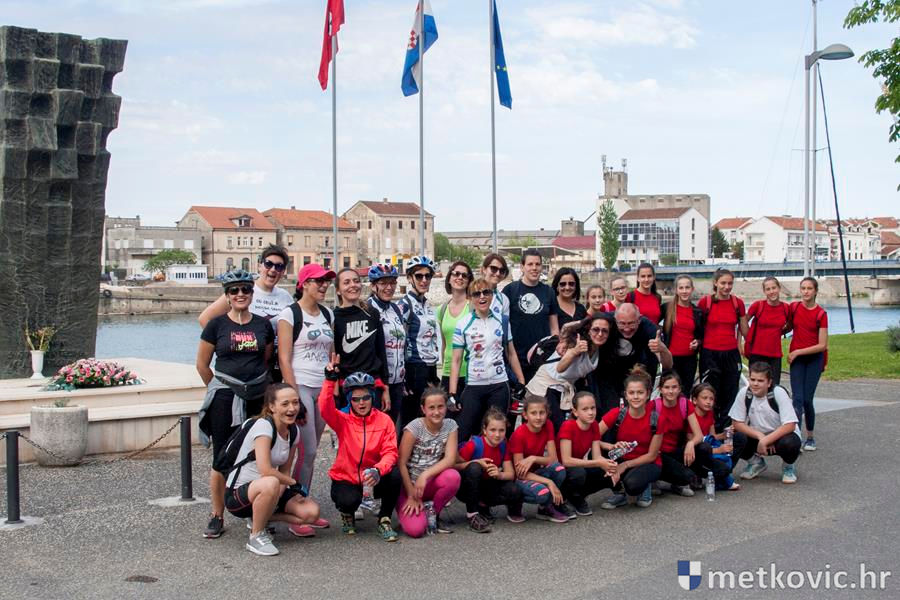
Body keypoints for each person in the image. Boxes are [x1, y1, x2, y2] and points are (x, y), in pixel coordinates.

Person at [197, 270, 275, 539]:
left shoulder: (263, 325)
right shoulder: (216, 326)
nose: (240, 294)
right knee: (222, 456)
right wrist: (220, 388)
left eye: (245, 290)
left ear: (252, 293)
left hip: (257, 396)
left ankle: (254, 510)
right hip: (225, 398)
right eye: (234, 291)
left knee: (257, 454)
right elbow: (202, 364)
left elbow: (266, 358)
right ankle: (217, 514)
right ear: (227, 296)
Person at [224, 384, 321, 556]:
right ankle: (256, 536)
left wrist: (278, 498)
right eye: (285, 404)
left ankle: (260, 517)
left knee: (311, 513)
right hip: (238, 495)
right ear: (272, 407)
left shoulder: (293, 431)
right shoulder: (263, 426)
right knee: (270, 482)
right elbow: (266, 470)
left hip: (270, 489)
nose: (292, 408)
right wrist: (294, 484)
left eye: (295, 402)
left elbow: (285, 471)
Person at [276, 263, 335, 534]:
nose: (324, 286)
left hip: (323, 388)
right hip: (301, 387)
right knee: (307, 450)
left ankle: (304, 503)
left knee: (311, 453)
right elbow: (284, 358)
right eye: (318, 281)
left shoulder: (327, 314)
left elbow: (331, 353)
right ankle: (295, 508)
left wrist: (333, 384)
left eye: (326, 281)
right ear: (304, 284)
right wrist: (293, 398)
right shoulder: (290, 314)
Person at [319, 364, 402, 541]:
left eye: (366, 397)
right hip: (348, 477)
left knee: (395, 475)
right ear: (350, 400)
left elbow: (390, 452)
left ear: (372, 397)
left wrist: (378, 470)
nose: (361, 403)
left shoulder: (384, 420)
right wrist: (329, 381)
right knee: (347, 501)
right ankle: (347, 513)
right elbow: (325, 409)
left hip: (374, 476)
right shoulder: (343, 420)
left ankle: (384, 519)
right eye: (356, 399)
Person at [199, 245, 293, 382]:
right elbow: (205, 318)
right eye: (268, 264)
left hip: (273, 361)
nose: (273, 269)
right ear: (260, 265)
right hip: (247, 358)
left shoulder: (285, 297)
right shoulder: (242, 290)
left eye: (279, 266)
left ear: (283, 271)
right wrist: (230, 344)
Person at [449, 278, 526, 443]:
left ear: (491, 295)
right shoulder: (463, 324)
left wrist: (521, 381)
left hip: (499, 385)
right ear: (470, 298)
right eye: (476, 294)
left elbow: (511, 353)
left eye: (486, 292)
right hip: (474, 385)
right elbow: (456, 360)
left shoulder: (502, 321)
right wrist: (453, 393)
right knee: (464, 432)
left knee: (497, 433)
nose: (482, 297)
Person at [526, 314, 617, 432]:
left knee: (564, 429)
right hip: (544, 387)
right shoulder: (575, 342)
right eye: (595, 329)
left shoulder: (597, 349)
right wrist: (575, 351)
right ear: (588, 330)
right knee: (551, 429)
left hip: (563, 390)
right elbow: (560, 368)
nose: (600, 334)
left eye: (604, 331)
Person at [397, 388, 461, 538]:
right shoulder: (414, 428)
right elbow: (401, 463)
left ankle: (433, 513)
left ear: (446, 407)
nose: (436, 412)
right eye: (431, 408)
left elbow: (450, 459)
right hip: (410, 486)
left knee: (453, 477)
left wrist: (425, 475)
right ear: (423, 409)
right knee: (416, 531)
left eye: (440, 406)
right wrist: (411, 494)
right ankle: (413, 513)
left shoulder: (451, 425)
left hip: (430, 483)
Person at [596, 367, 664, 509]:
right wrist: (610, 446)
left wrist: (625, 465)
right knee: (596, 459)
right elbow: (591, 437)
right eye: (631, 393)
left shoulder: (657, 419)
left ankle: (645, 487)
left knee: (632, 485)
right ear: (626, 395)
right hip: (621, 457)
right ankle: (619, 493)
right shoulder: (617, 413)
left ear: (648, 394)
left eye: (640, 392)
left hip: (647, 462)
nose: (636, 397)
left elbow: (652, 456)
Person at [728, 362, 802, 484]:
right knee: (734, 437)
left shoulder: (778, 393)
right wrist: (760, 437)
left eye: (760, 381)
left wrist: (767, 439)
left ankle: (788, 466)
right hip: (758, 436)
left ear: (769, 382)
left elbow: (790, 425)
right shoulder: (745, 393)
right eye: (752, 379)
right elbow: (737, 422)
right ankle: (755, 463)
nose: (755, 384)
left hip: (780, 436)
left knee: (790, 443)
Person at [455, 408, 524, 532]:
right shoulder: (474, 445)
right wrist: (476, 462)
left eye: (501, 430)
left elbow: (511, 474)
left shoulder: (503, 445)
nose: (497, 435)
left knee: (515, 491)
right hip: (466, 487)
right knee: (475, 468)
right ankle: (473, 514)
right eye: (493, 430)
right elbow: (454, 466)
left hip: (488, 484)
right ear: (484, 430)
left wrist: (499, 474)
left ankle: (483, 506)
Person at [332, 267, 390, 410]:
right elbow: (333, 356)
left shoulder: (372, 313)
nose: (353, 285)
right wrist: (335, 388)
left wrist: (385, 387)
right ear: (338, 290)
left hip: (372, 385)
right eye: (347, 282)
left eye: (356, 281)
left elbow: (381, 351)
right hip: (347, 387)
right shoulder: (334, 317)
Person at [698, 268, 748, 430]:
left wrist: (743, 343)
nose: (727, 287)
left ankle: (726, 430)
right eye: (723, 283)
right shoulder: (705, 303)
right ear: (715, 283)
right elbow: (697, 328)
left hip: (731, 353)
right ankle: (709, 428)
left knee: (730, 392)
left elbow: (744, 329)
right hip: (710, 354)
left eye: (730, 283)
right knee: (709, 393)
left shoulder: (737, 303)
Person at [508, 396, 571, 523]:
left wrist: (533, 458)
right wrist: (549, 482)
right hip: (519, 479)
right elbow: (520, 474)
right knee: (543, 493)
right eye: (533, 413)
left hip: (535, 473)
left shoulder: (548, 425)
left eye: (542, 413)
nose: (538, 417)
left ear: (547, 414)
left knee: (559, 469)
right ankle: (514, 504)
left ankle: (545, 508)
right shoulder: (519, 434)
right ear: (525, 415)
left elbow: (553, 459)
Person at [502, 249, 559, 385]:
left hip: (541, 358)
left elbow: (554, 328)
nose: (534, 268)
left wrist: (554, 353)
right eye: (530, 264)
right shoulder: (510, 290)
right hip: (516, 358)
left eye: (538, 264)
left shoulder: (549, 292)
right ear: (522, 267)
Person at [556, 392, 618, 516]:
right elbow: (566, 460)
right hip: (560, 470)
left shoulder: (594, 425)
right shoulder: (568, 426)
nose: (590, 412)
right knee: (579, 473)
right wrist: (599, 463)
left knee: (607, 475)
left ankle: (576, 496)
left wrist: (610, 466)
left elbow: (597, 456)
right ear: (575, 412)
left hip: (577, 466)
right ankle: (563, 499)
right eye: (585, 409)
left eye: (592, 408)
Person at [399, 256, 441, 429]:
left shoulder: (427, 304)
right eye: (419, 276)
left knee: (428, 419)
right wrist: (404, 376)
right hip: (414, 367)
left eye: (427, 276)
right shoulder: (405, 304)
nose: (424, 280)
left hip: (430, 366)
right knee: (411, 421)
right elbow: (399, 340)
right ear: (410, 278)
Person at [788, 277, 828, 452]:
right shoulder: (794, 308)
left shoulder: (821, 314)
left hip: (814, 360)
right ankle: (796, 437)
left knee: (806, 400)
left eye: (809, 288)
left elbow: (822, 345)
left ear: (815, 291)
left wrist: (798, 351)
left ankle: (810, 437)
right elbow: (786, 326)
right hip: (797, 361)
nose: (805, 291)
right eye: (803, 288)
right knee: (797, 399)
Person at [367, 263, 407, 427]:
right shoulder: (367, 309)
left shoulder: (396, 309)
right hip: (378, 383)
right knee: (377, 429)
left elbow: (402, 345)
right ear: (373, 286)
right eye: (383, 283)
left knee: (391, 429)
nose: (389, 288)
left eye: (392, 283)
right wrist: (382, 385)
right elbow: (370, 351)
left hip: (398, 381)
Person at [606, 303, 673, 392]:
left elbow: (667, 366)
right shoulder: (606, 320)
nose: (626, 329)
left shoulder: (649, 329)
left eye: (631, 323)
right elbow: (591, 322)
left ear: (639, 320)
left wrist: (663, 349)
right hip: (610, 371)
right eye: (622, 323)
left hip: (640, 371)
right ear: (615, 320)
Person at [652, 371, 699, 497]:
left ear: (679, 389)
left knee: (703, 448)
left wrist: (690, 443)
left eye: (674, 387)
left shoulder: (685, 404)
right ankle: (653, 480)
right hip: (657, 453)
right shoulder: (653, 406)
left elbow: (698, 435)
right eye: (667, 387)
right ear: (660, 389)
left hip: (675, 451)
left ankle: (677, 483)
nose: (671, 391)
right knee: (687, 476)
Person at [686, 383, 741, 491]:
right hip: (696, 452)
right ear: (695, 400)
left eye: (711, 399)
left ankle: (723, 473)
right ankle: (701, 473)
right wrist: (718, 450)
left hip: (709, 445)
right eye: (704, 398)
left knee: (739, 438)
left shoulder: (709, 413)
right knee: (704, 447)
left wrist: (725, 434)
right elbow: (691, 443)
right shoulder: (691, 416)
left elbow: (713, 436)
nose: (708, 401)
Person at [744, 277, 791, 386]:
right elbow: (743, 321)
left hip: (775, 355)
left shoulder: (786, 308)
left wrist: (779, 332)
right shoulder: (758, 306)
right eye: (768, 289)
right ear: (764, 291)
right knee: (757, 387)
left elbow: (790, 325)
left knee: (774, 387)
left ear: (779, 288)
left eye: (774, 288)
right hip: (756, 354)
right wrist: (747, 338)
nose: (771, 291)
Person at [437, 261, 472, 402]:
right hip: (448, 373)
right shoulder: (442, 309)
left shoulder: (473, 308)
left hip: (470, 374)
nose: (460, 277)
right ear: (449, 278)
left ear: (469, 281)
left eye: (464, 275)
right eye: (456, 274)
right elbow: (445, 344)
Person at [662, 275, 704, 391]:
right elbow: (652, 322)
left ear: (692, 289)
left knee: (685, 392)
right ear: (676, 290)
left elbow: (701, 335)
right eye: (681, 288)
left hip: (689, 359)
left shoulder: (697, 311)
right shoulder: (667, 308)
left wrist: (698, 342)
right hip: (671, 359)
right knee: (669, 392)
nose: (684, 291)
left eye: (687, 287)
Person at [480, 253, 511, 319]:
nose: (498, 273)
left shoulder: (503, 300)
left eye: (502, 270)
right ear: (484, 269)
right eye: (493, 268)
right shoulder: (471, 293)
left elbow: (504, 324)